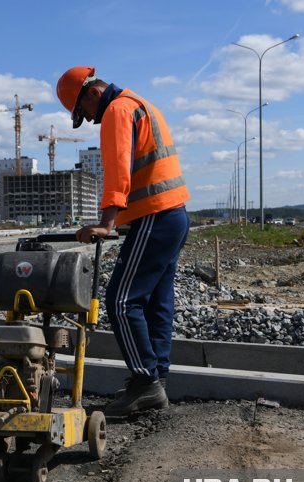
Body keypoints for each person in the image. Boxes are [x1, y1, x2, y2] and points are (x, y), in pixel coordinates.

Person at [56, 66, 190, 417]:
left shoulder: (117, 110)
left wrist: (106, 223)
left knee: (120, 301)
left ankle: (145, 382)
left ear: (93, 94)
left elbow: (118, 166)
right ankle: (155, 379)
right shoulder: (141, 103)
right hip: (173, 215)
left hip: (155, 216)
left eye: (83, 112)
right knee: (156, 302)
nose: (89, 120)